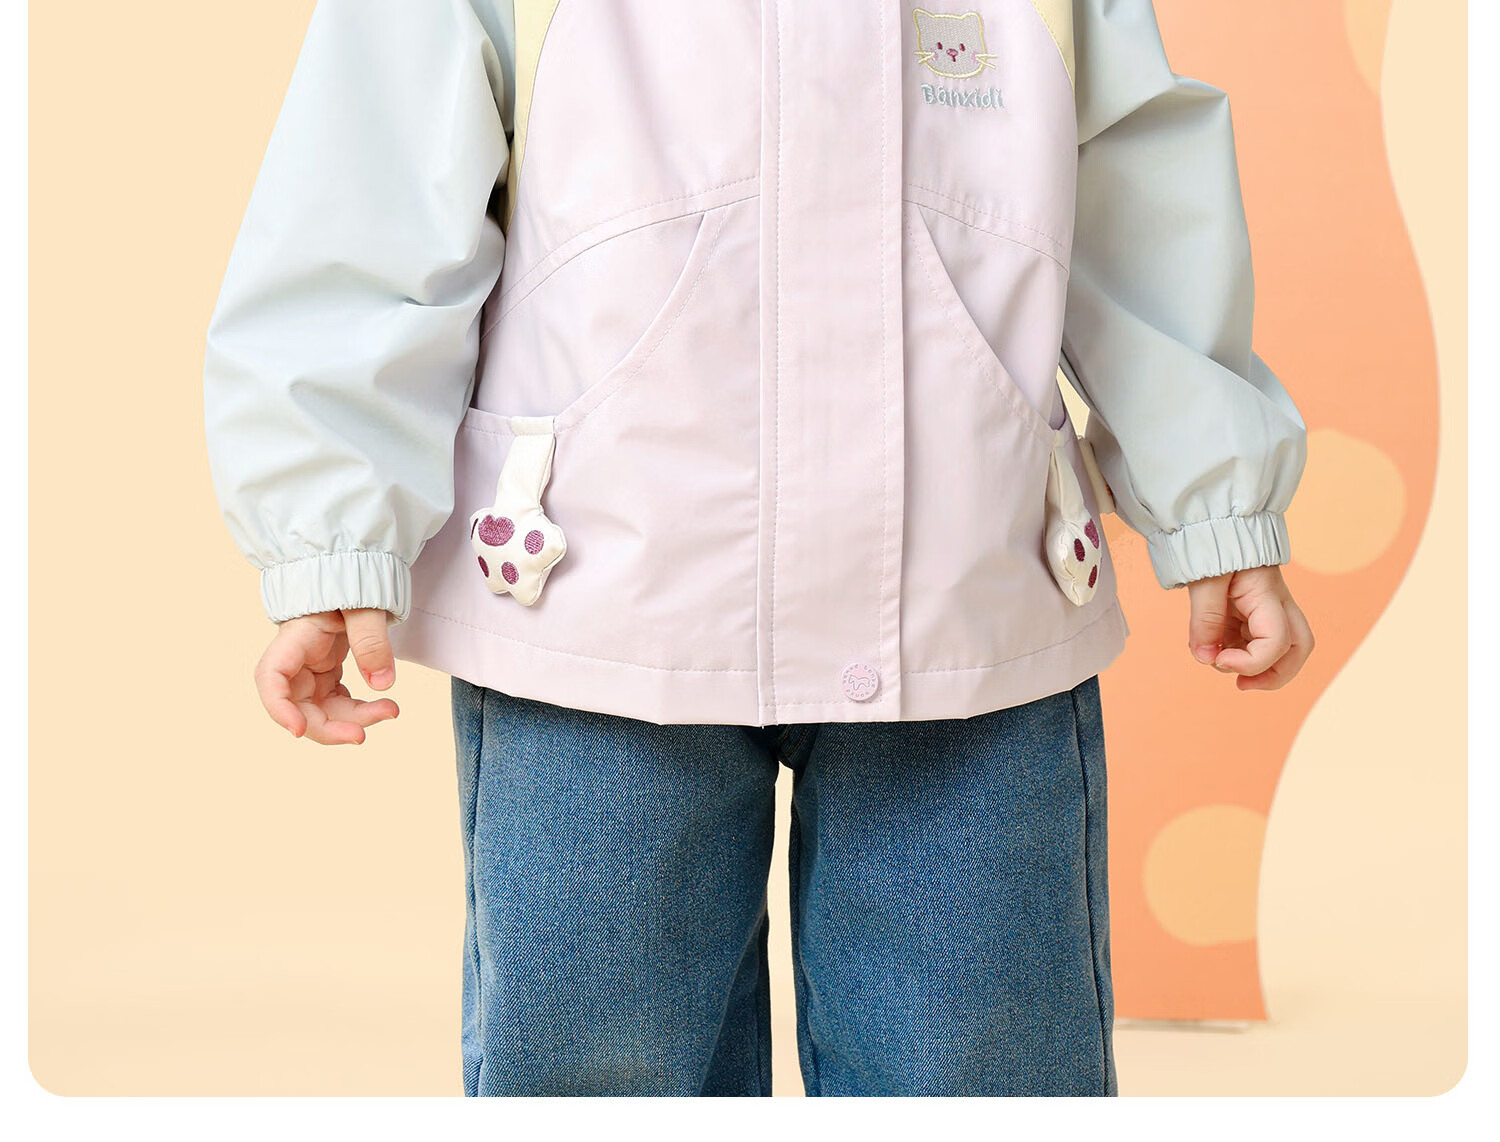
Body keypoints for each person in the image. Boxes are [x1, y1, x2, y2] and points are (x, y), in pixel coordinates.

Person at [204, 0, 1314, 1097]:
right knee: (596, 1075)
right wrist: (330, 524)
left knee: (985, 1077)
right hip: (601, 609)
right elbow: (371, 190)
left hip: (970, 603)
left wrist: (1216, 496)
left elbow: (1135, 197)